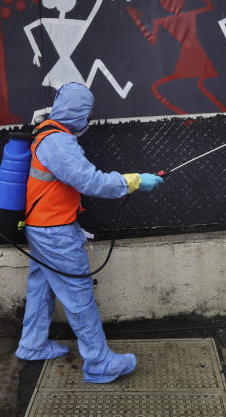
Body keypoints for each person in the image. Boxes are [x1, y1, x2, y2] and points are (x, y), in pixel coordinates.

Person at [15, 82, 163, 383]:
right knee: (79, 296)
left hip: (42, 226)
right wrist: (134, 181)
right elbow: (89, 181)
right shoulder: (57, 141)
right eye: (87, 113)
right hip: (55, 233)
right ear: (79, 113)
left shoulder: (46, 133)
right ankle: (99, 363)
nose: (88, 119)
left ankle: (32, 344)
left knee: (41, 287)